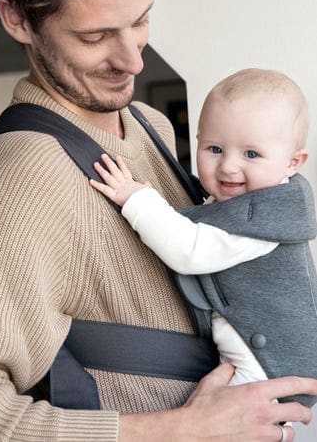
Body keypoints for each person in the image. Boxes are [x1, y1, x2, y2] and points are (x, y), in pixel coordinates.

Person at [0, 0, 317, 440]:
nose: (134, 60)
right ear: (17, 19)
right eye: (94, 37)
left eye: (141, 20)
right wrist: (179, 429)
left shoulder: (147, 122)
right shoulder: (23, 175)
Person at [90, 67, 317, 399]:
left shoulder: (262, 218)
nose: (228, 166)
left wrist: (137, 200)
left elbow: (190, 250)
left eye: (251, 154)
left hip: (268, 367)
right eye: (214, 149)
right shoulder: (256, 197)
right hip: (258, 358)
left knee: (223, 421)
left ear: (292, 162)